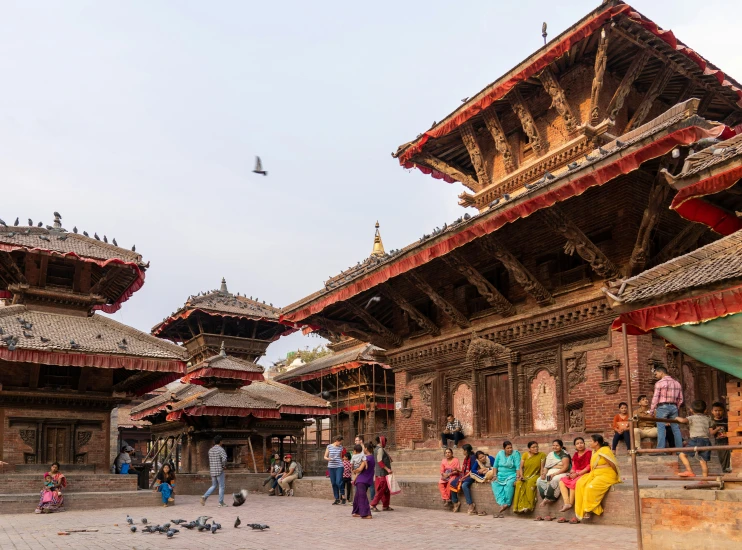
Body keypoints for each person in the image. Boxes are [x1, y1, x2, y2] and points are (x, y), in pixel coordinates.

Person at [574, 434, 621, 522]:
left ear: (596, 442)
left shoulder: (604, 450)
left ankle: (588, 509)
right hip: (595, 474)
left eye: (591, 441)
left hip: (607, 474)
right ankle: (594, 508)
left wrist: (616, 476)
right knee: (580, 483)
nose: (589, 443)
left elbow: (612, 464)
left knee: (590, 487)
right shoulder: (594, 451)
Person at [677, 399, 714, 478]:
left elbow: (683, 420)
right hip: (706, 441)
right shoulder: (707, 418)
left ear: (691, 410)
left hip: (696, 440)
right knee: (703, 462)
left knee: (682, 455)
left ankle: (689, 471)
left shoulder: (691, 418)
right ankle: (705, 480)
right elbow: (712, 425)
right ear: (705, 410)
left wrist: (676, 418)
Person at [649, 366, 684, 450]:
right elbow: (681, 399)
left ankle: (660, 449)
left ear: (661, 372)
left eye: (656, 373)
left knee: (661, 428)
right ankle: (680, 449)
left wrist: (652, 410)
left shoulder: (659, 383)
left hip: (662, 406)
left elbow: (655, 397)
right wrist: (676, 407)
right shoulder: (677, 383)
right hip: (674, 406)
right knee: (676, 429)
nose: (656, 376)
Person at [559, 437, 592, 513]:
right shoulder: (576, 454)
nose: (580, 445)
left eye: (581, 443)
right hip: (576, 473)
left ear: (584, 444)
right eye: (577, 444)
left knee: (573, 483)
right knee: (562, 481)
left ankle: (570, 503)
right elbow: (574, 466)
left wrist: (577, 474)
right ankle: (566, 503)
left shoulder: (589, 453)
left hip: (585, 473)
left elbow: (589, 466)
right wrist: (571, 473)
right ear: (575, 446)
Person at [512, 441, 545, 514]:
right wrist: (521, 476)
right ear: (529, 449)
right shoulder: (525, 455)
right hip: (525, 475)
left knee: (530, 483)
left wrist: (542, 475)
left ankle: (529, 506)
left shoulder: (542, 455)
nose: (536, 448)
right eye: (533, 447)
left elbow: (542, 467)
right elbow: (520, 467)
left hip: (535, 475)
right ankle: (518, 507)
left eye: (537, 447)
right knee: (519, 483)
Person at [536, 439, 571, 507]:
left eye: (557, 445)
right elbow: (546, 467)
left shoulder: (564, 454)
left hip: (562, 473)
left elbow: (566, 467)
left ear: (561, 446)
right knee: (539, 480)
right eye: (553, 445)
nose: (555, 447)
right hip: (550, 473)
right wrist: (544, 474)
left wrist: (555, 473)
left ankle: (550, 498)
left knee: (554, 479)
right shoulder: (550, 454)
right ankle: (545, 497)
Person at [491, 441, 521, 517]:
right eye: (508, 448)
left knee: (509, 484)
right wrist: (495, 475)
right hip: (500, 475)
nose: (510, 449)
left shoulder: (516, 454)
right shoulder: (500, 454)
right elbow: (495, 466)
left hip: (511, 475)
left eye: (511, 447)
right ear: (503, 448)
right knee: (494, 483)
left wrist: (517, 477)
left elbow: (518, 466)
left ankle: (507, 503)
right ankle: (502, 503)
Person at [201, 435, 228, 507]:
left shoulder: (210, 450)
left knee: (213, 485)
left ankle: (204, 496)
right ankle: (221, 502)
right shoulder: (221, 449)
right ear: (220, 441)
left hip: (212, 470)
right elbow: (224, 459)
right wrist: (224, 465)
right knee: (221, 486)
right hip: (219, 470)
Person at [351, 442, 375, 519]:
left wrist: (354, 471)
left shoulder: (366, 458)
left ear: (366, 449)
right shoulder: (372, 457)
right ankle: (357, 511)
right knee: (357, 496)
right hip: (366, 479)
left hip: (362, 480)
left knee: (362, 497)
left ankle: (367, 513)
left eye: (364, 448)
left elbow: (360, 469)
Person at [370, 436, 394, 512]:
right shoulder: (380, 450)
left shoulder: (377, 449)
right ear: (382, 442)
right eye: (385, 442)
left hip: (382, 473)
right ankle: (373, 504)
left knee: (386, 490)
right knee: (381, 490)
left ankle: (385, 505)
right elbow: (380, 461)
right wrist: (388, 469)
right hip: (381, 473)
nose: (386, 444)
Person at [449, 444, 474, 514]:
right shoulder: (466, 458)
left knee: (464, 485)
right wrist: (457, 470)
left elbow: (472, 470)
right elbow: (463, 471)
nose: (462, 452)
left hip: (471, 476)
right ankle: (456, 502)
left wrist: (464, 477)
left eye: (463, 450)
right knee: (452, 483)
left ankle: (470, 504)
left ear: (466, 451)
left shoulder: (472, 457)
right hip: (464, 475)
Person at [710, 401, 731, 472]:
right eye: (716, 410)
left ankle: (727, 471)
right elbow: (712, 433)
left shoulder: (726, 420)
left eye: (720, 410)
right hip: (719, 443)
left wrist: (727, 434)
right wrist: (717, 429)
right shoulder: (712, 422)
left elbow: (731, 430)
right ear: (712, 411)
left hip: (728, 442)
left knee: (728, 458)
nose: (718, 412)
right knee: (722, 459)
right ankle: (725, 472)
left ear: (723, 411)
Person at [354, 435, 375, 500]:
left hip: (364, 472)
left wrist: (354, 470)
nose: (355, 442)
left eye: (356, 440)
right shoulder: (361, 450)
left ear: (361, 441)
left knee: (361, 490)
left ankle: (372, 501)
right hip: (365, 472)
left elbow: (360, 467)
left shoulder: (364, 450)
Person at [325, 435, 345, 505]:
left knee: (338, 481)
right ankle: (336, 498)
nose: (340, 443)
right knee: (333, 483)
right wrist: (328, 459)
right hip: (331, 466)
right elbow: (325, 456)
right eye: (340, 442)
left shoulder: (341, 447)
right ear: (337, 441)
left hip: (339, 465)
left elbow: (341, 457)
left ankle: (342, 494)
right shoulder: (329, 446)